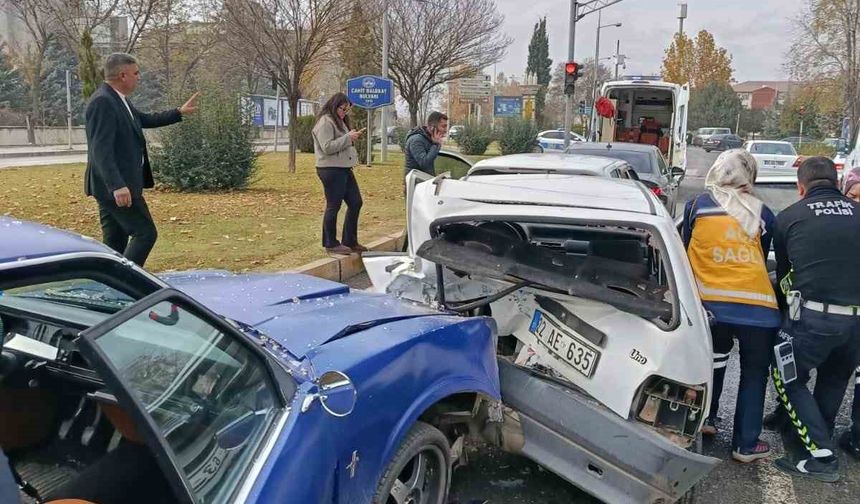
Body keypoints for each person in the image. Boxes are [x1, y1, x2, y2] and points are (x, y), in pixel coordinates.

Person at [681, 149, 779, 463]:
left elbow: (683, 249)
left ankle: (705, 420)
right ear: (749, 177)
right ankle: (746, 445)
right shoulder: (762, 212)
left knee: (713, 361)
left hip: (711, 306)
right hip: (757, 308)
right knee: (754, 373)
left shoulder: (697, 206)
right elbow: (762, 258)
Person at [771, 157, 860, 482]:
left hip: (813, 319)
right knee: (834, 379)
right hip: (856, 323)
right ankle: (811, 435)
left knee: (786, 377)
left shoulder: (790, 217)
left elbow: (785, 275)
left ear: (801, 186)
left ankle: (822, 455)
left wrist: (785, 317)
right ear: (837, 183)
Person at [85, 52, 199, 267]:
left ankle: (110, 287)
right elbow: (100, 150)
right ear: (122, 75)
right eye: (136, 73)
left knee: (115, 242)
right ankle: (128, 281)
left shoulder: (118, 100)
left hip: (112, 186)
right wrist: (117, 185)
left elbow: (144, 119)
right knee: (145, 234)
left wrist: (178, 112)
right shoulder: (103, 102)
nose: (139, 77)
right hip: (117, 187)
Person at [312, 93, 365, 255]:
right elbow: (327, 147)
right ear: (334, 105)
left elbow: (340, 143)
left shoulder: (339, 121)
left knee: (356, 202)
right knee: (333, 205)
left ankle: (350, 240)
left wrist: (350, 136)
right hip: (331, 169)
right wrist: (348, 138)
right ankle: (330, 242)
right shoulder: (325, 122)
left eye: (347, 110)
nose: (344, 112)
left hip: (343, 167)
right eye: (342, 109)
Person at [404, 112, 448, 177]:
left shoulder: (430, 139)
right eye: (443, 126)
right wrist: (435, 144)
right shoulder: (416, 140)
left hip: (425, 182)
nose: (445, 130)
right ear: (432, 127)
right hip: (415, 184)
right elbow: (424, 163)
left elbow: (430, 163)